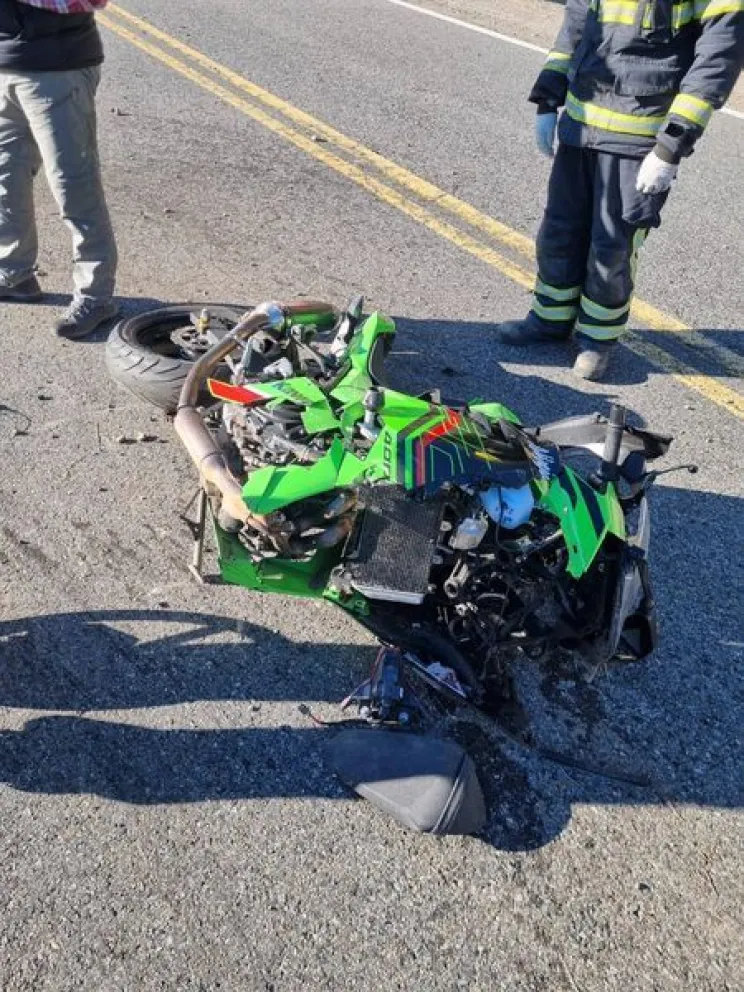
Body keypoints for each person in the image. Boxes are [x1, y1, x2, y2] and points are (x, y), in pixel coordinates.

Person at [497, 0, 743, 381]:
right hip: (580, 125)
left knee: (612, 247)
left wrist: (669, 148)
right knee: (558, 232)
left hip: (640, 139)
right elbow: (574, 29)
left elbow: (715, 63)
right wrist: (548, 97)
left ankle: (597, 339)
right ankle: (549, 319)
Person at [0, 0, 117, 339]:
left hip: (59, 69)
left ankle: (95, 296)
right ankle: (13, 273)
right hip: (6, 64)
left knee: (73, 186)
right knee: (6, 176)